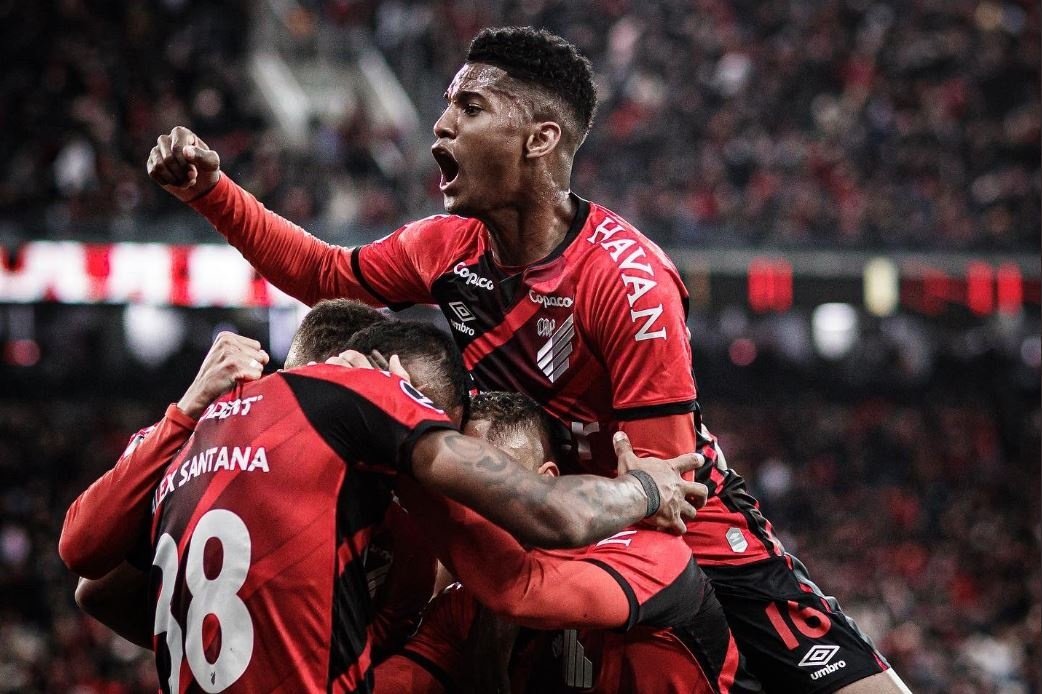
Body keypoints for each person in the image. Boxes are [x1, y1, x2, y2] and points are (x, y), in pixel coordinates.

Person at [146, 25, 908, 694]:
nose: (440, 126)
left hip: (655, 514)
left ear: (539, 139)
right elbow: (325, 275)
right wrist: (214, 191)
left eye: (470, 109)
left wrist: (560, 534)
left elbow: (664, 488)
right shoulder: (445, 248)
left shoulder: (628, 282)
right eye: (447, 106)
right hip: (533, 502)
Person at [60, 305, 705, 693]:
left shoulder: (206, 423)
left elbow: (85, 565)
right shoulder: (366, 407)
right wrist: (647, 487)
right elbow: (543, 531)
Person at [373, 390, 753, 693]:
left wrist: (395, 444)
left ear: (548, 479)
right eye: (464, 487)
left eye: (497, 482)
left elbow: (520, 589)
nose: (478, 503)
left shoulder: (647, 554)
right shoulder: (468, 599)